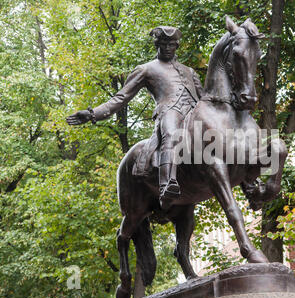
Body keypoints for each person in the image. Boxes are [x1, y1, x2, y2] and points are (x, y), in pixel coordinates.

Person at [66, 26, 204, 209]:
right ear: (157, 44)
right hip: (170, 111)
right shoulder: (146, 69)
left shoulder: (190, 71)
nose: (168, 47)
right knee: (171, 134)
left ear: (177, 45)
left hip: (195, 114)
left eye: (172, 44)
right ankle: (167, 184)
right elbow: (120, 98)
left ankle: (248, 180)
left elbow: (205, 99)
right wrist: (93, 114)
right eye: (164, 44)